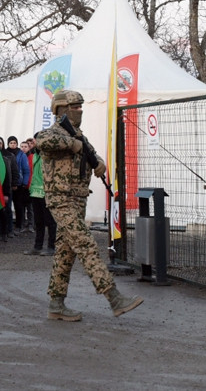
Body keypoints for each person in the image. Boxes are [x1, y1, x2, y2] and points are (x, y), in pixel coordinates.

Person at [35, 90, 143, 321]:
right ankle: (114, 298)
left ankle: (56, 304)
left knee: (66, 253)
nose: (79, 111)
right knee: (85, 244)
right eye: (75, 107)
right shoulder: (55, 133)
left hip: (78, 200)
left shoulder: (79, 135)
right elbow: (41, 139)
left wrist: (100, 164)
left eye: (81, 107)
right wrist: (70, 143)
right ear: (62, 109)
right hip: (61, 200)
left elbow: (92, 153)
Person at [23, 133, 56, 256]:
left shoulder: (48, 154)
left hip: (47, 192)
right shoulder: (35, 155)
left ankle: (51, 247)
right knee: (38, 221)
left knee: (50, 221)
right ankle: (37, 246)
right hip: (36, 192)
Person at [6, 135, 31, 233]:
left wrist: (24, 183)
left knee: (18, 206)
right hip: (7, 184)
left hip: (19, 184)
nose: (13, 145)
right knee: (7, 206)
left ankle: (19, 225)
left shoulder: (21, 154)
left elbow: (26, 170)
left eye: (14, 143)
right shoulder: (5, 153)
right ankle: (8, 226)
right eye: (11, 143)